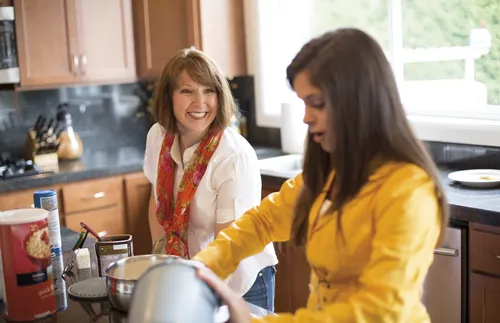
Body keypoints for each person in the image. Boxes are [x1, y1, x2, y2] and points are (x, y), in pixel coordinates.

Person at [193, 28, 450, 323]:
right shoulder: (333, 174)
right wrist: (203, 268)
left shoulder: (407, 191)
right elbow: (264, 220)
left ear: (357, 101)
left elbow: (378, 312)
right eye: (304, 103)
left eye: (316, 103)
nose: (305, 117)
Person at [143, 47, 278, 311]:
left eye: (209, 90)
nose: (200, 102)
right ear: (169, 96)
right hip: (192, 272)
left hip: (242, 281)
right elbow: (155, 202)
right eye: (187, 91)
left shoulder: (232, 157)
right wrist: (162, 262)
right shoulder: (158, 137)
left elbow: (227, 245)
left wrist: (187, 297)